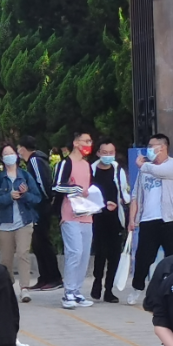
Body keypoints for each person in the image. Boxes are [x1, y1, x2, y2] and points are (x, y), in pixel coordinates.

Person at [128, 133, 173, 306]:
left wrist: (142, 165)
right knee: (143, 257)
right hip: (148, 220)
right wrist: (132, 219)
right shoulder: (145, 170)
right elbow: (136, 195)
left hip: (170, 219)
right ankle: (137, 288)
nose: (149, 149)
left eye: (152, 146)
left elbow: (160, 172)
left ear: (163, 147)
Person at [0, 144, 41, 302]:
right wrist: (9, 197)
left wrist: (25, 195)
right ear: (2, 158)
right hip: (4, 224)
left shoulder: (25, 176)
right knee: (6, 259)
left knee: (23, 253)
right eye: (6, 154)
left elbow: (37, 198)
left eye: (11, 153)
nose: (9, 156)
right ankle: (7, 285)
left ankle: (25, 288)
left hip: (24, 222)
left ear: (17, 156)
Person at [52, 131, 95, 309]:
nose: (89, 144)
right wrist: (76, 189)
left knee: (84, 255)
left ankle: (77, 291)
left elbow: (90, 188)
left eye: (90, 141)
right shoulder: (65, 163)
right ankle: (68, 292)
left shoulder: (87, 165)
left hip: (87, 215)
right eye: (86, 141)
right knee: (74, 252)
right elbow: (56, 186)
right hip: (70, 214)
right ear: (76, 143)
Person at [17, 136, 63, 291]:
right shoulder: (33, 161)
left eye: (19, 148)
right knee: (37, 243)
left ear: (23, 148)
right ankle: (44, 277)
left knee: (43, 241)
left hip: (41, 206)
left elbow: (42, 184)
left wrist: (44, 199)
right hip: (36, 206)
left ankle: (54, 277)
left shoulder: (35, 161)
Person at [89, 139, 130, 303]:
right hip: (97, 217)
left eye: (110, 153)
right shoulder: (91, 170)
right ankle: (97, 281)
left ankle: (109, 289)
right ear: (98, 153)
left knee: (114, 255)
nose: (107, 156)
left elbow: (124, 192)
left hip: (115, 218)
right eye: (104, 152)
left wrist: (119, 202)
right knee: (100, 253)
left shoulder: (118, 170)